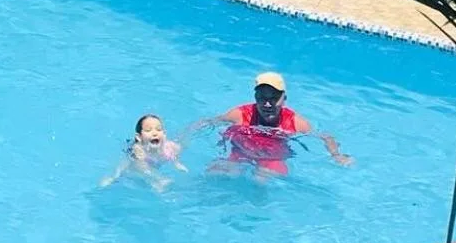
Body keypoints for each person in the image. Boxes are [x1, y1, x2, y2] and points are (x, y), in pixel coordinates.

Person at [184, 72, 352, 178]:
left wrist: (337, 155)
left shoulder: (295, 122)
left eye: (273, 98)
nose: (267, 104)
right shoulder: (240, 114)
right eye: (262, 97)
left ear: (284, 98)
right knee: (213, 173)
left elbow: (325, 137)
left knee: (262, 179)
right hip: (240, 154)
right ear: (255, 97)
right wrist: (181, 141)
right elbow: (207, 122)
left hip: (272, 159)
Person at [100, 114, 188, 191]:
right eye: (148, 130)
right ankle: (113, 176)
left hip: (155, 161)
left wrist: (177, 163)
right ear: (139, 137)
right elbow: (141, 167)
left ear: (164, 134)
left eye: (158, 129)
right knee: (124, 166)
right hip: (137, 161)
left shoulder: (170, 146)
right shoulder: (138, 149)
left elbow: (175, 153)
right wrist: (157, 178)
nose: (155, 133)